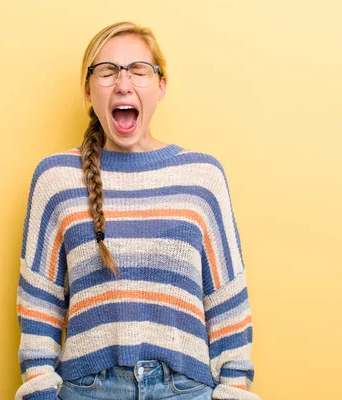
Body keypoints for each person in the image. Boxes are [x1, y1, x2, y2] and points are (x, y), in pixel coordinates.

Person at [15, 21, 260, 400]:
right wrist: (40, 392)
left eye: (138, 70)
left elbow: (228, 299)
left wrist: (235, 389)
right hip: (86, 389)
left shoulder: (202, 176)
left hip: (187, 389)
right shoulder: (56, 177)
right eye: (107, 71)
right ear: (88, 89)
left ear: (160, 85)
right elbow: (39, 303)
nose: (123, 84)